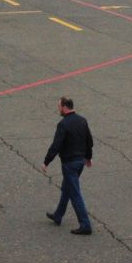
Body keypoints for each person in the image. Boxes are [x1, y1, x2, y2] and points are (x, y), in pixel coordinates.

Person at [41, 96, 93, 234]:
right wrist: (88, 157)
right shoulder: (82, 120)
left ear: (64, 107)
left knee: (75, 194)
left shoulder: (63, 124)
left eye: (59, 106)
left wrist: (46, 161)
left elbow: (56, 145)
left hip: (69, 163)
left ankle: (85, 225)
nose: (58, 109)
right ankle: (58, 215)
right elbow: (89, 140)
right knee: (67, 188)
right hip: (80, 161)